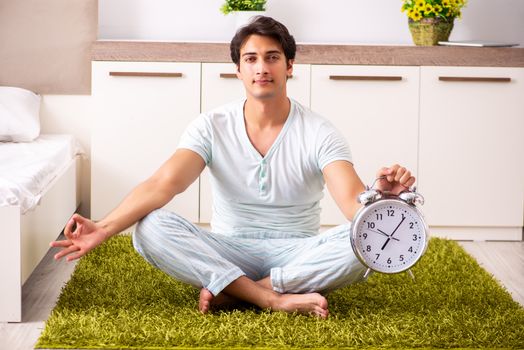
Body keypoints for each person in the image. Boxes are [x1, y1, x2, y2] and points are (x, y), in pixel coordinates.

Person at [50, 16, 415, 319]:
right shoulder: (211, 126)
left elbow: (354, 206)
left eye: (272, 58)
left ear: (289, 67)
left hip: (297, 250)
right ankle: (271, 298)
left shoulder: (320, 132)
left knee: (363, 242)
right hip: (228, 246)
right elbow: (164, 183)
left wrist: (385, 201)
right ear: (238, 70)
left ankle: (237, 290)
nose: (262, 68)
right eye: (251, 59)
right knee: (150, 228)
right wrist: (105, 227)